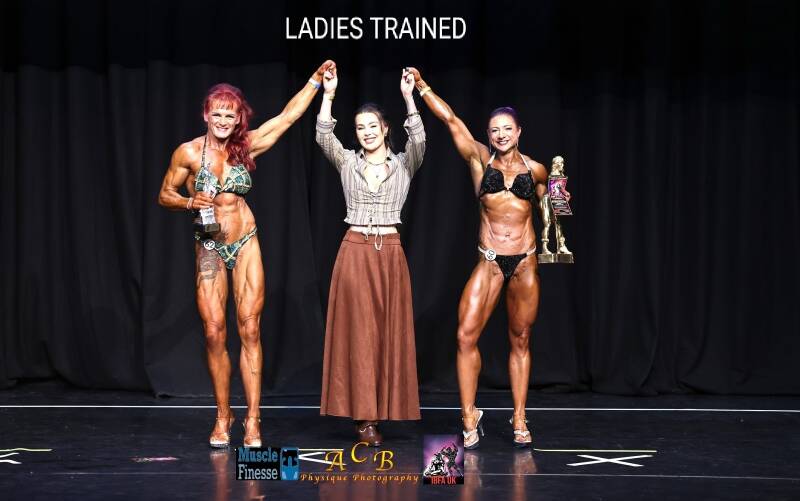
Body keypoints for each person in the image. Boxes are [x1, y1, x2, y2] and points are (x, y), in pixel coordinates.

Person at [157, 60, 335, 448]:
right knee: (213, 332)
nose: (223, 120)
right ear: (206, 115)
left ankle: (253, 420)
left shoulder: (245, 147)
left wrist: (314, 81)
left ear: (238, 118)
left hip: (245, 240)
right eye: (217, 114)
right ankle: (223, 415)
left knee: (250, 328)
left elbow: (287, 118)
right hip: (209, 244)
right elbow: (165, 194)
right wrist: (189, 203)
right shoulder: (188, 153)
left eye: (230, 115)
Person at [409, 68, 548, 448]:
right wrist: (422, 86)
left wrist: (559, 197)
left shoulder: (536, 169)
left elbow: (553, 213)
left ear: (518, 132)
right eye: (494, 130)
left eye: (507, 129)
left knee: (520, 339)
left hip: (524, 262)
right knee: (465, 335)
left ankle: (519, 417)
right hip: (489, 261)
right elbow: (450, 119)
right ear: (488, 135)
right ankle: (469, 415)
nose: (501, 135)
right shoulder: (479, 161)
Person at [315, 66, 425, 446]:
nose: (366, 132)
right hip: (356, 250)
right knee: (360, 334)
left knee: (387, 333)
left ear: (385, 128)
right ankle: (365, 418)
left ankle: (382, 408)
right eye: (360, 127)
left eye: (372, 125)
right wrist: (329, 94)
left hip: (390, 252)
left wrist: (409, 97)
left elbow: (419, 137)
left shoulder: (404, 163)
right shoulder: (347, 161)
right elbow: (323, 134)